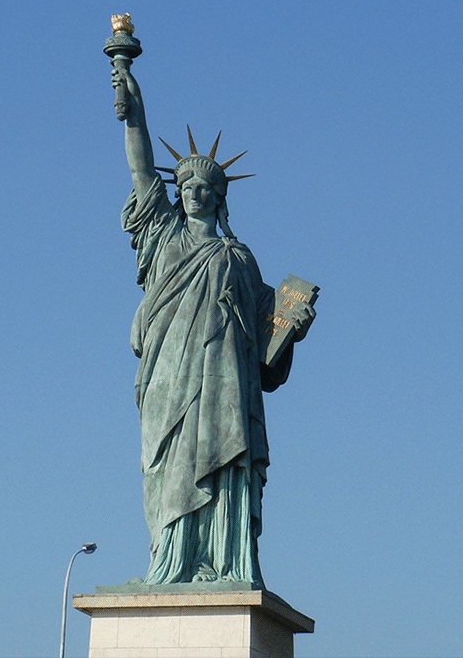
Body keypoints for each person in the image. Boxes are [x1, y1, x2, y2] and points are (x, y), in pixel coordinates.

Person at [112, 65, 314, 585]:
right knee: (166, 466)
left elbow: (269, 343)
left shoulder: (240, 259)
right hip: (167, 380)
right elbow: (139, 170)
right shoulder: (162, 235)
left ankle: (223, 561)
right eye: (186, 183)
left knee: (221, 464)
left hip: (224, 385)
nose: (196, 191)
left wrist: (295, 326)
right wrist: (132, 106)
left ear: (221, 197)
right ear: (176, 192)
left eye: (207, 185)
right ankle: (170, 560)